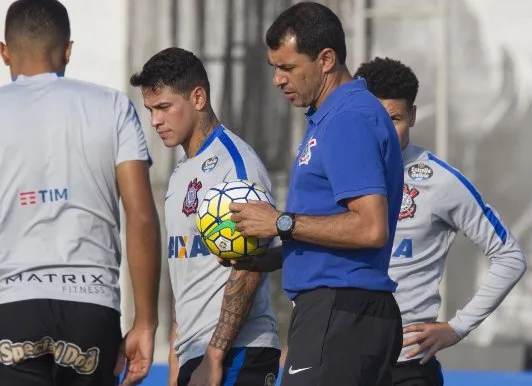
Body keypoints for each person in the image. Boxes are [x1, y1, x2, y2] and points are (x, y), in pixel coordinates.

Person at [226, 2, 404, 385]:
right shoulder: (333, 116)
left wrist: (279, 222)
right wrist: (269, 258)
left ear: (326, 59)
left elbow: (370, 228)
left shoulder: (347, 118)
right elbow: (334, 228)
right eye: (274, 67)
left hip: (341, 311)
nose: (277, 79)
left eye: (287, 67)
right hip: (344, 312)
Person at [0, 1, 162, 386]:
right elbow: (140, 216)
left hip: (11, 303)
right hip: (91, 305)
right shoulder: (112, 107)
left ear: (4, 51)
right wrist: (146, 322)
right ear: (68, 49)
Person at [354, 56, 527, 386]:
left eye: (396, 119)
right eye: (374, 119)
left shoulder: (440, 181)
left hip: (406, 368)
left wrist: (458, 326)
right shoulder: (333, 175)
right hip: (343, 363)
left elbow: (510, 256)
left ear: (413, 116)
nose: (385, 132)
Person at [129, 47, 280, 386]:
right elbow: (185, 273)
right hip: (194, 354)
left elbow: (250, 265)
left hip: (239, 353)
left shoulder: (236, 164)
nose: (154, 120)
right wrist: (175, 360)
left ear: (198, 97)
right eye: (150, 110)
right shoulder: (181, 174)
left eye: (164, 107)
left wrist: (214, 357)